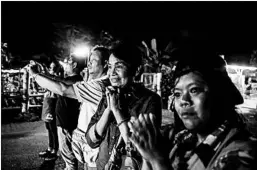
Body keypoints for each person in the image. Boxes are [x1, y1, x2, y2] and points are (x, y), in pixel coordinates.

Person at [128, 46, 257, 170]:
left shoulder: (241, 154)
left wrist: (157, 159)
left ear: (218, 94)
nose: (184, 100)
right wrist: (147, 151)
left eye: (194, 90)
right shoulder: (181, 139)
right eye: (178, 94)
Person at [29, 46, 110, 170]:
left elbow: (62, 89)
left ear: (105, 64)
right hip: (88, 143)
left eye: (93, 60)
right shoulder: (95, 83)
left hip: (93, 147)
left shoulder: (99, 86)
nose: (89, 63)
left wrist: (35, 75)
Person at [85, 42, 163, 170]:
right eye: (110, 67)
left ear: (136, 70)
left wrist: (117, 111)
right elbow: (91, 141)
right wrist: (108, 110)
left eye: (119, 66)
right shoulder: (109, 96)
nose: (112, 73)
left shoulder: (150, 100)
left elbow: (140, 149)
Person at [29, 55, 84, 170]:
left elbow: (58, 82)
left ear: (74, 65)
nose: (64, 65)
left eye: (67, 62)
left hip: (68, 124)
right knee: (68, 156)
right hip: (64, 122)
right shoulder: (69, 79)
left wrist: (36, 74)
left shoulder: (74, 80)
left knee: (69, 156)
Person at [39, 61, 61, 161]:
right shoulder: (50, 77)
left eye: (53, 67)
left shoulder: (57, 78)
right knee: (48, 127)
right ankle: (50, 148)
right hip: (47, 102)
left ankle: (55, 151)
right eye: (50, 67)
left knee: (53, 129)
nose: (51, 69)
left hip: (53, 102)